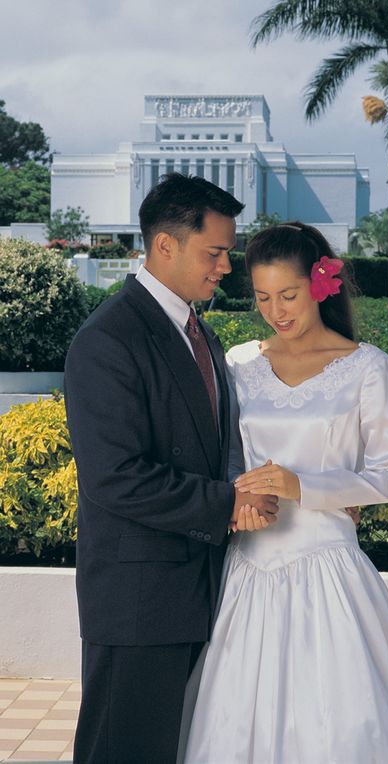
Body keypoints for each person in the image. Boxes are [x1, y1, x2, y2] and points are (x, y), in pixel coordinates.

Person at [181, 222, 388, 764]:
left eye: (288, 294)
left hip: (330, 574)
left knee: (340, 725)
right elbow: (228, 458)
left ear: (320, 286)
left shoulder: (369, 368)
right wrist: (240, 498)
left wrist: (301, 485)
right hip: (247, 573)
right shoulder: (237, 364)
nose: (277, 310)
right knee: (233, 721)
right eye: (262, 297)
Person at [63, 173, 279, 764]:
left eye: (228, 253)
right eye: (215, 252)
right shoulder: (108, 338)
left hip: (201, 592)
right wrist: (226, 503)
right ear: (165, 245)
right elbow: (114, 477)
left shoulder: (198, 332)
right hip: (139, 601)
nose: (226, 267)